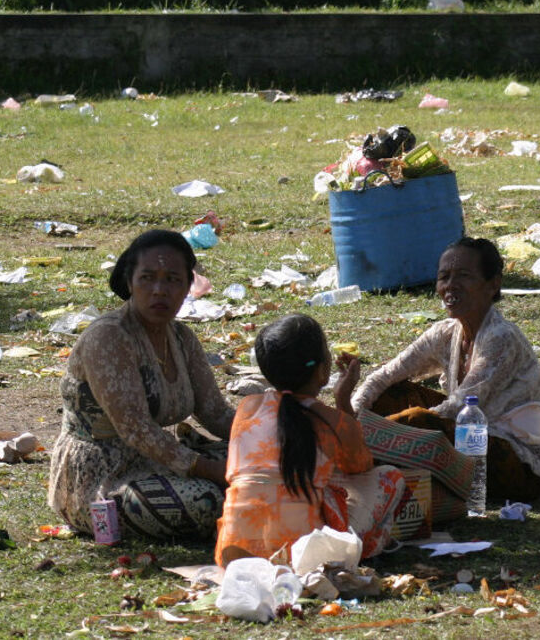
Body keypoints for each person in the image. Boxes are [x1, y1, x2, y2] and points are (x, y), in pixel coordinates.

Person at [352, 237, 540, 520]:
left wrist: (377, 435)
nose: (450, 286)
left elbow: (458, 409)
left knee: (419, 420)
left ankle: (358, 458)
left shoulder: (501, 338)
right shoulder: (446, 332)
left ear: (493, 284)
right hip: (471, 441)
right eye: (444, 277)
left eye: (463, 276)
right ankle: (363, 454)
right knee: (392, 394)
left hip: (521, 466)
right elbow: (384, 375)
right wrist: (350, 417)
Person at [48, 229, 234, 540]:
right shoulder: (109, 337)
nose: (159, 290)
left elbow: (215, 413)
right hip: (103, 475)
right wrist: (213, 470)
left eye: (172, 280)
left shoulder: (181, 338)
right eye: (147, 278)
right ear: (130, 282)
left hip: (158, 460)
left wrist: (269, 438)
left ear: (189, 286)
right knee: (211, 499)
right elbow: (136, 429)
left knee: (263, 468)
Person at [215, 314, 405, 566]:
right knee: (389, 476)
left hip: (233, 552)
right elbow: (360, 469)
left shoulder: (246, 408)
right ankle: (370, 546)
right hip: (306, 557)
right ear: (322, 369)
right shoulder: (331, 422)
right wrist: (343, 399)